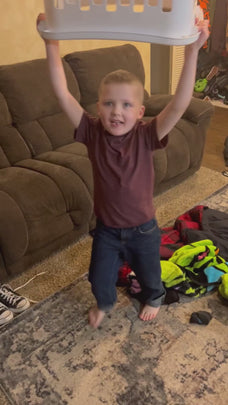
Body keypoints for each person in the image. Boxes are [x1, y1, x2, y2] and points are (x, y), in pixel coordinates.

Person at [37, 14, 209, 328]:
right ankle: (105, 303)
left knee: (149, 273)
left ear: (140, 112)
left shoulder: (147, 135)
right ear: (97, 107)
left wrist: (193, 51)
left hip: (143, 229)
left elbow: (181, 103)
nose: (117, 111)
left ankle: (154, 295)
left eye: (127, 105)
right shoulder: (90, 131)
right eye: (109, 104)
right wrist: (51, 42)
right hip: (106, 230)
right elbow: (62, 93)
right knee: (98, 276)